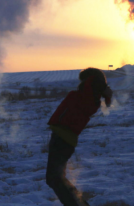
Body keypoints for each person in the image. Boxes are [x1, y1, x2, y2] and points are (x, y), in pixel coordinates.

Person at [46, 67, 113, 206]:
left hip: (62, 138)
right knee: (56, 178)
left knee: (54, 178)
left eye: (84, 80)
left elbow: (93, 81)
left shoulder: (88, 97)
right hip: (62, 137)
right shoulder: (87, 96)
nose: (81, 82)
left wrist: (96, 78)